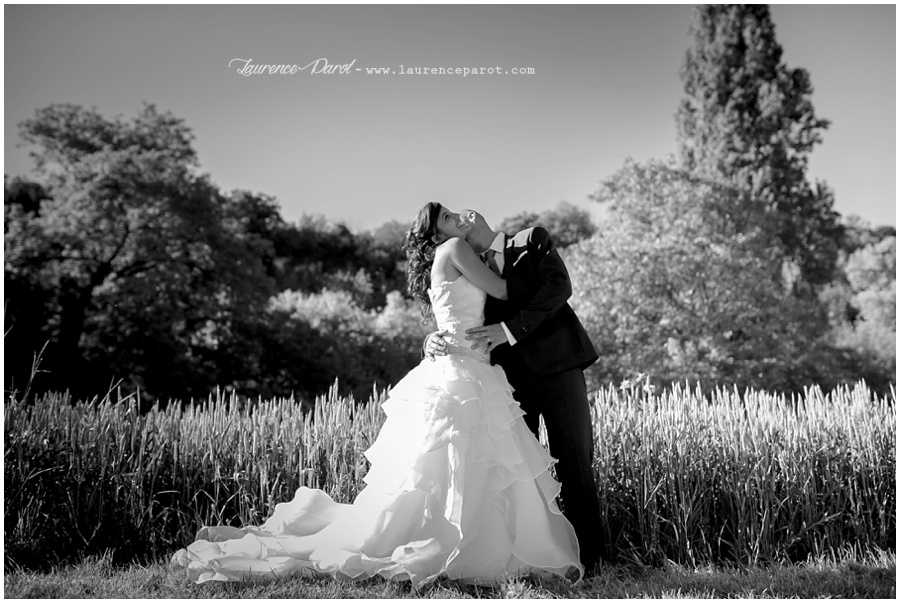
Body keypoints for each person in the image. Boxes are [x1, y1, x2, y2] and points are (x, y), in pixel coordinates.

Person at [171, 202, 583, 588]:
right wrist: (490, 254)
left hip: (475, 365)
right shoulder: (458, 248)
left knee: (457, 461)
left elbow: (458, 309)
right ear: (436, 235)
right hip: (468, 370)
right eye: (446, 217)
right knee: (470, 459)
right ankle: (472, 547)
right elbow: (504, 292)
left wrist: (436, 337)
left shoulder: (453, 257)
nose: (457, 216)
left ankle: (458, 540)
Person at [424, 208, 603, 573]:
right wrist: (431, 339)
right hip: (504, 381)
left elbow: (559, 288)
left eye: (459, 212)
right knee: (521, 474)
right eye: (448, 216)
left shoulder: (531, 239)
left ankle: (595, 562)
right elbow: (454, 313)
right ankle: (531, 561)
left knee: (575, 465)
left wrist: (509, 329)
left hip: (558, 369)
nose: (460, 215)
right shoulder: (465, 261)